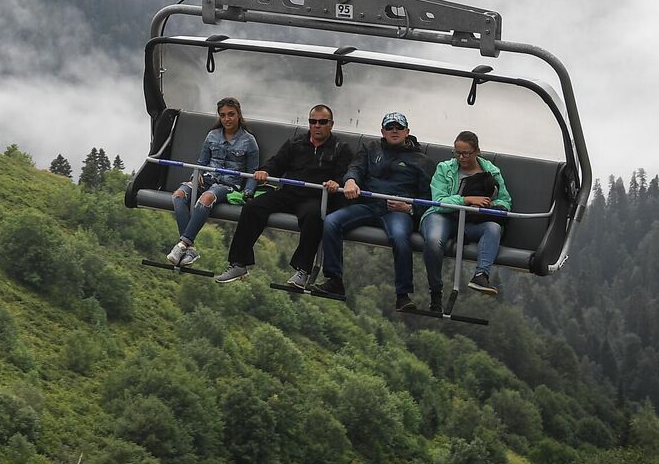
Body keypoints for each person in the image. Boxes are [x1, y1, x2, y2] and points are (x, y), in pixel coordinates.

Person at [213, 104, 353, 287]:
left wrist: (337, 183)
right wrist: (265, 172)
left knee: (313, 217)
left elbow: (343, 175)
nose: (317, 125)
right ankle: (239, 263)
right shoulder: (296, 143)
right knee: (253, 208)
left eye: (322, 122)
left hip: (315, 197)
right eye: (313, 121)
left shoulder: (340, 149)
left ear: (331, 125)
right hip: (289, 193)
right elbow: (277, 163)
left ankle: (303, 270)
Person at [317, 111, 431, 311]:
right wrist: (350, 181)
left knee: (400, 238)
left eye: (399, 128)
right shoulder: (371, 149)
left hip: (397, 210)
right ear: (382, 131)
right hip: (368, 204)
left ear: (407, 132)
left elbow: (428, 197)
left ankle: (403, 295)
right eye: (390, 128)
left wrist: (410, 208)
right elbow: (355, 168)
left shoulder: (421, 161)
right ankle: (334, 280)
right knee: (332, 222)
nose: (394, 131)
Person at [420, 130, 512, 311]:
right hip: (443, 216)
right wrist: (466, 200)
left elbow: (505, 200)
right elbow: (438, 200)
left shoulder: (491, 171)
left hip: (472, 221)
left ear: (477, 151)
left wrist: (490, 205)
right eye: (457, 152)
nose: (461, 157)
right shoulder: (445, 168)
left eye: (466, 153)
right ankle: (435, 291)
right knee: (433, 242)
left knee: (493, 228)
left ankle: (481, 275)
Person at [166, 97, 260, 267]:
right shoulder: (212, 135)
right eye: (223, 115)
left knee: (207, 199)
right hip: (207, 179)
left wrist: (249, 192)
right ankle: (190, 248)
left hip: (228, 185)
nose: (227, 119)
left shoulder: (248, 141)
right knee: (178, 195)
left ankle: (182, 245)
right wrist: (197, 174)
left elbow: (253, 171)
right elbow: (201, 163)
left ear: (239, 115)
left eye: (231, 115)